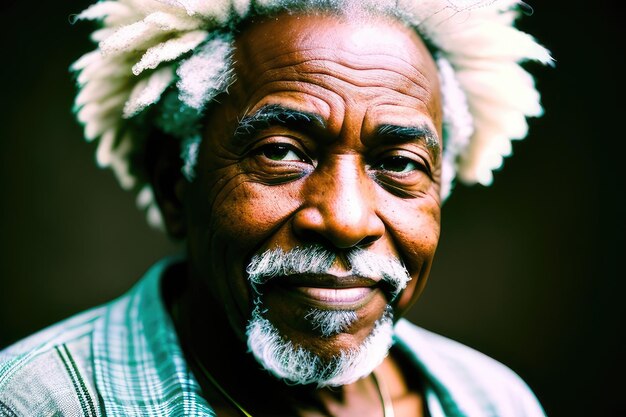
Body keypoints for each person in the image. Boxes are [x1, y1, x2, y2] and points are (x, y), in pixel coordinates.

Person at [0, 0, 552, 415]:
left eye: (400, 163)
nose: (345, 219)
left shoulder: (496, 401)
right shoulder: (33, 401)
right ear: (174, 183)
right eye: (282, 153)